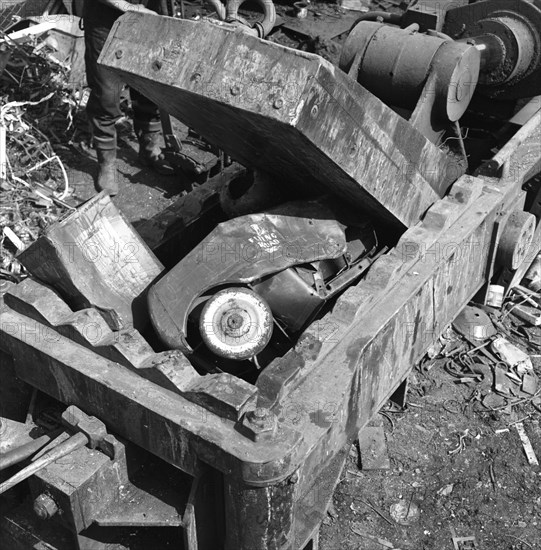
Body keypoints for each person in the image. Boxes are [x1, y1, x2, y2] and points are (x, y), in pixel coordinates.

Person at [83, 0, 171, 196]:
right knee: (106, 91)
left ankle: (149, 148)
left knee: (150, 82)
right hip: (105, 17)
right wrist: (132, 8)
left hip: (149, 14)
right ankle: (106, 162)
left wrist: (222, 8)